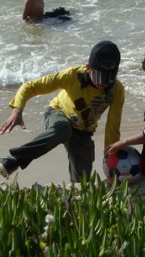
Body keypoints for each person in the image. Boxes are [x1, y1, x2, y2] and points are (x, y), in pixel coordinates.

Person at [0, 41, 124, 181]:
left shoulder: (117, 90)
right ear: (88, 68)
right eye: (100, 77)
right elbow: (30, 86)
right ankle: (14, 160)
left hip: (83, 129)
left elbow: (112, 127)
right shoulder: (71, 75)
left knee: (82, 181)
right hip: (58, 113)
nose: (103, 83)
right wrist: (17, 110)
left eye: (109, 78)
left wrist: (111, 158)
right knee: (63, 130)